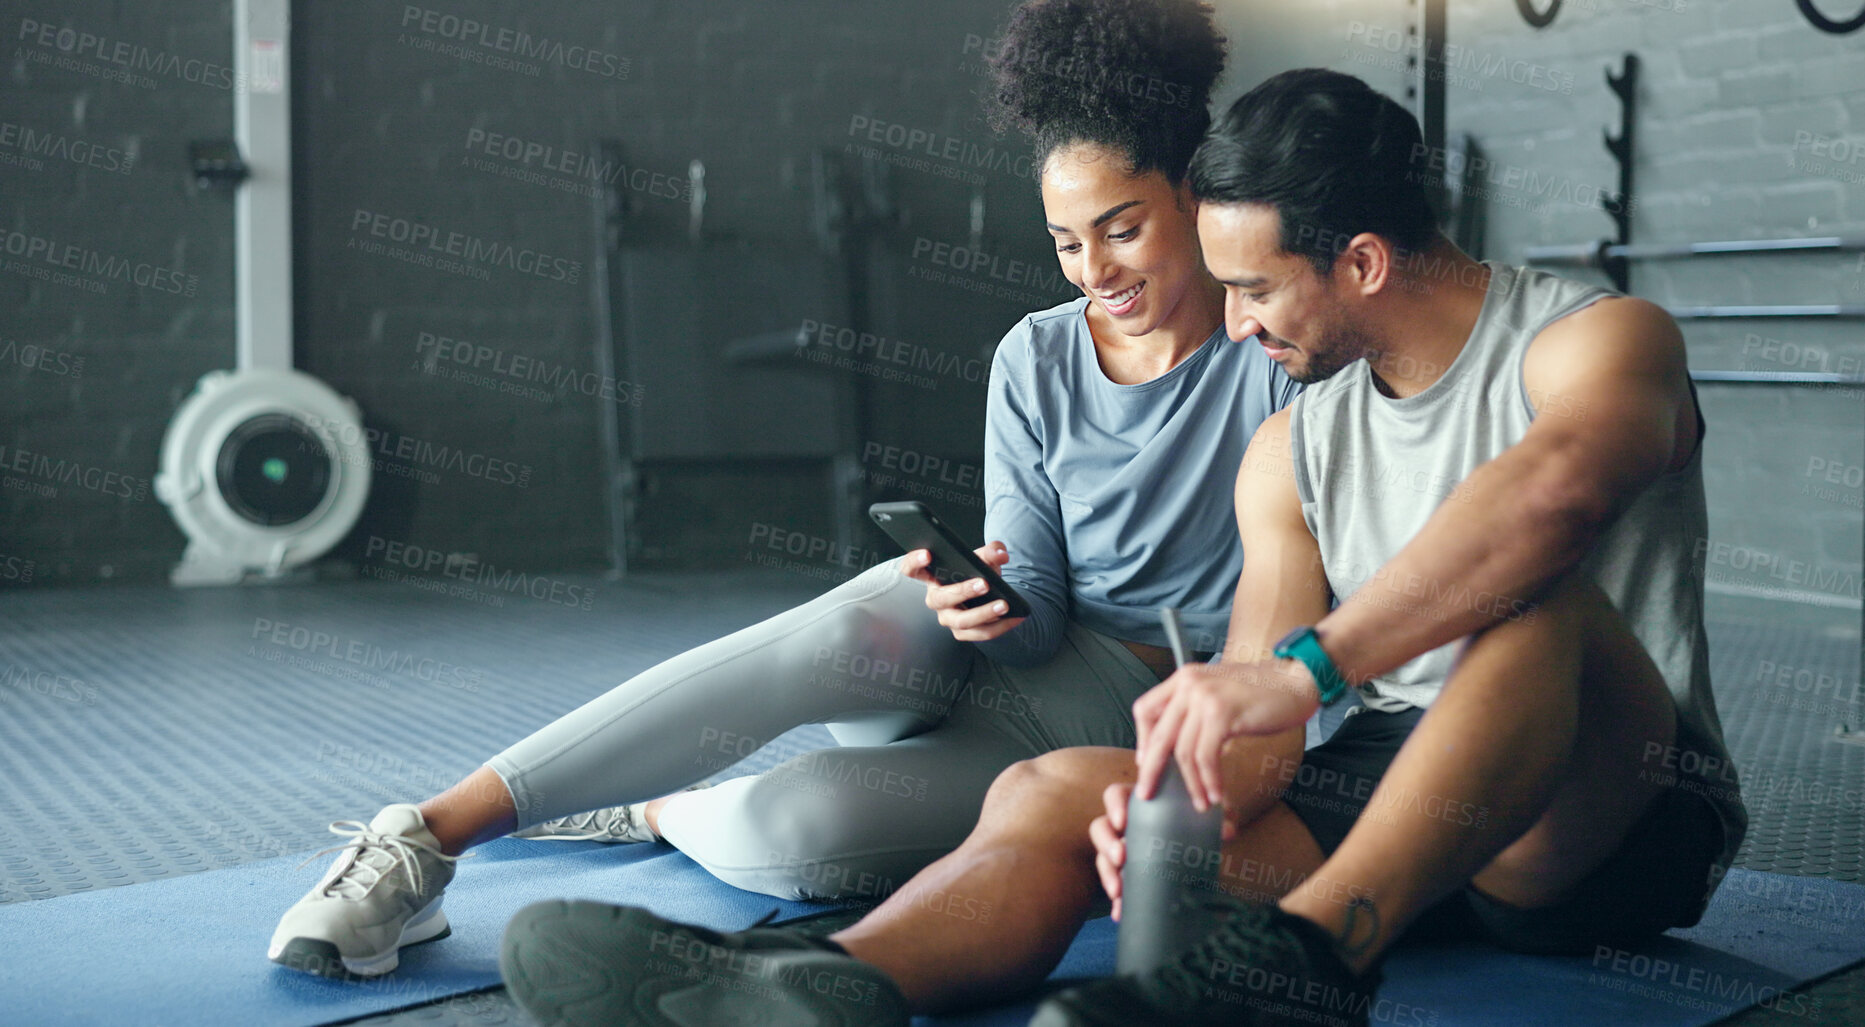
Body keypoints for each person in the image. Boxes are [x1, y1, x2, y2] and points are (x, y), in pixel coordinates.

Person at [494, 67, 1746, 1027]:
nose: (1239, 325)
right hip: (1381, 791)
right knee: (1048, 792)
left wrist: (1309, 668)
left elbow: (1554, 495)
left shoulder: (1596, 339)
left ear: (1361, 262)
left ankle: (1302, 966)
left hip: (1599, 806)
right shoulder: (1297, 446)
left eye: (1256, 290)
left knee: (1537, 610)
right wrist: (1175, 806)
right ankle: (809, 985)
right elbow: (1244, 707)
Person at [268, 0, 1302, 980]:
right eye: (1067, 243)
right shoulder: (1034, 356)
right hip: (991, 654)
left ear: (1193, 196)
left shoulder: (1275, 351)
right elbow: (1031, 618)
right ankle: (421, 838)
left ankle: (659, 809)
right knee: (846, 630)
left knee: (797, 840)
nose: (1094, 271)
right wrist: (976, 597)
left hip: (1113, 719)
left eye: (1121, 230)